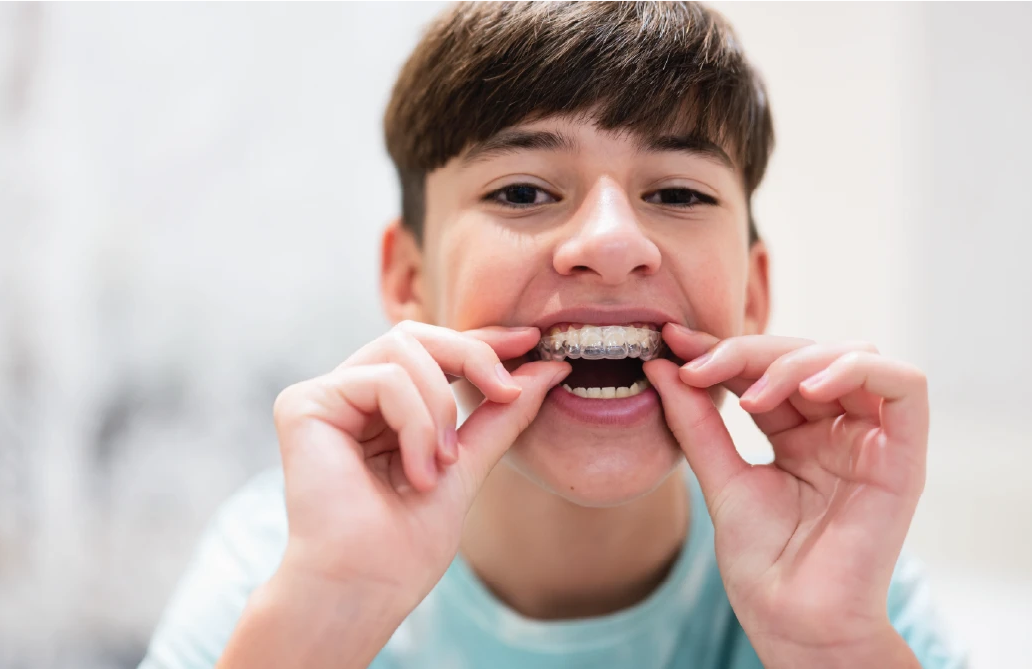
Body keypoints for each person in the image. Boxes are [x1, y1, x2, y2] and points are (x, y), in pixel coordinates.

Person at [140, 0, 965, 666]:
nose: (611, 243)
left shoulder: (848, 585)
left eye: (677, 194)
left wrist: (831, 645)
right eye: (524, 192)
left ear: (752, 293)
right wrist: (329, 613)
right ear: (409, 280)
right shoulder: (284, 563)